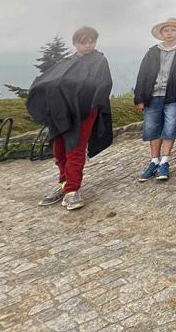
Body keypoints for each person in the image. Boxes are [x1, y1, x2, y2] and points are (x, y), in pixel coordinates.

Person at [29, 26, 113, 211]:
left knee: (75, 148)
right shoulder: (66, 62)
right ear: (75, 43)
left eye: (91, 41)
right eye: (84, 41)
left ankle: (72, 190)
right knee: (59, 149)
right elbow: (49, 82)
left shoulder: (99, 61)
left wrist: (90, 106)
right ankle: (64, 184)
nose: (88, 44)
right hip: (61, 113)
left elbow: (104, 85)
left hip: (84, 112)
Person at [134, 17, 176, 182]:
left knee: (169, 129)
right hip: (152, 95)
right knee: (152, 128)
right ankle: (154, 161)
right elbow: (142, 74)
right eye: (166, 30)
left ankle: (164, 162)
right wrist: (139, 98)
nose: (169, 33)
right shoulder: (153, 51)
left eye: (173, 30)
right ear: (161, 34)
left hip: (173, 96)